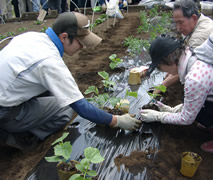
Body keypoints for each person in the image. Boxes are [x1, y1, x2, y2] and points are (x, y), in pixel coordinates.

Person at [0, 12, 141, 151]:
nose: (83, 47)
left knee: (55, 94)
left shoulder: (32, 37)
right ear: (64, 37)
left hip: (6, 93)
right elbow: (80, 107)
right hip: (4, 111)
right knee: (65, 109)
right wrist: (116, 120)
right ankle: (17, 137)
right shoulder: (49, 62)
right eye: (80, 42)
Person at [141, 35, 213, 153]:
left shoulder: (195, 78)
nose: (162, 71)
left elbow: (186, 119)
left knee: (196, 111)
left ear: (169, 61)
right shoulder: (195, 54)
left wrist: (158, 116)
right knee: (189, 101)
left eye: (159, 67)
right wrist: (172, 110)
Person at [153, 0, 213, 93]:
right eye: (176, 23)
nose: (178, 28)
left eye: (180, 22)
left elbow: (183, 66)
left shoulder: (199, 37)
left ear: (194, 18)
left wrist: (161, 86)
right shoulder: (198, 21)